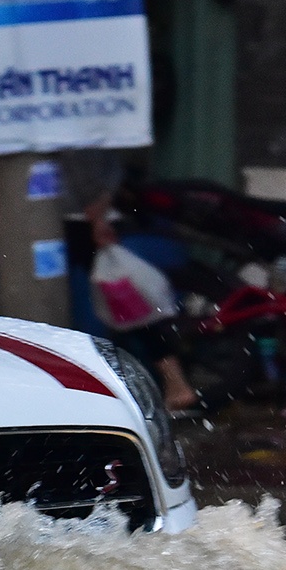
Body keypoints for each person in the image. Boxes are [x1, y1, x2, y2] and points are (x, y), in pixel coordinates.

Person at [63, 150, 201, 411]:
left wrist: (96, 217)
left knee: (125, 312)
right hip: (96, 218)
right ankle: (167, 383)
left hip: (80, 222)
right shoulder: (105, 138)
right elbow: (111, 171)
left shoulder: (77, 138)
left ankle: (168, 385)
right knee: (126, 312)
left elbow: (82, 173)